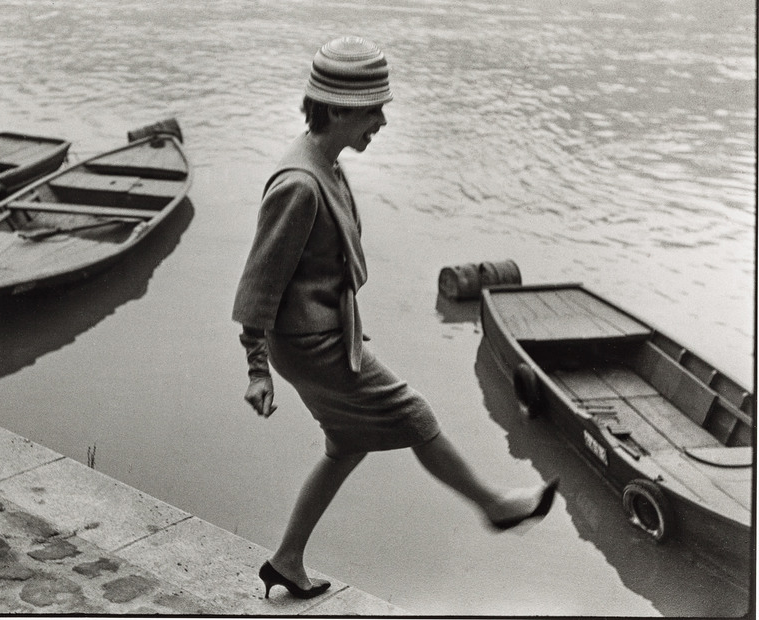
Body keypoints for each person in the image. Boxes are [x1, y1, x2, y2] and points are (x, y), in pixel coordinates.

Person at [232, 35, 558, 600]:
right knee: (414, 414)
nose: (381, 122)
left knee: (347, 444)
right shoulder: (300, 184)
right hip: (310, 345)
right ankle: (495, 506)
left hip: (326, 335)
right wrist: (257, 369)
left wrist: (345, 324)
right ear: (338, 109)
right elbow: (260, 283)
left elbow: (317, 271)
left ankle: (287, 559)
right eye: (373, 110)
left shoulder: (325, 163)